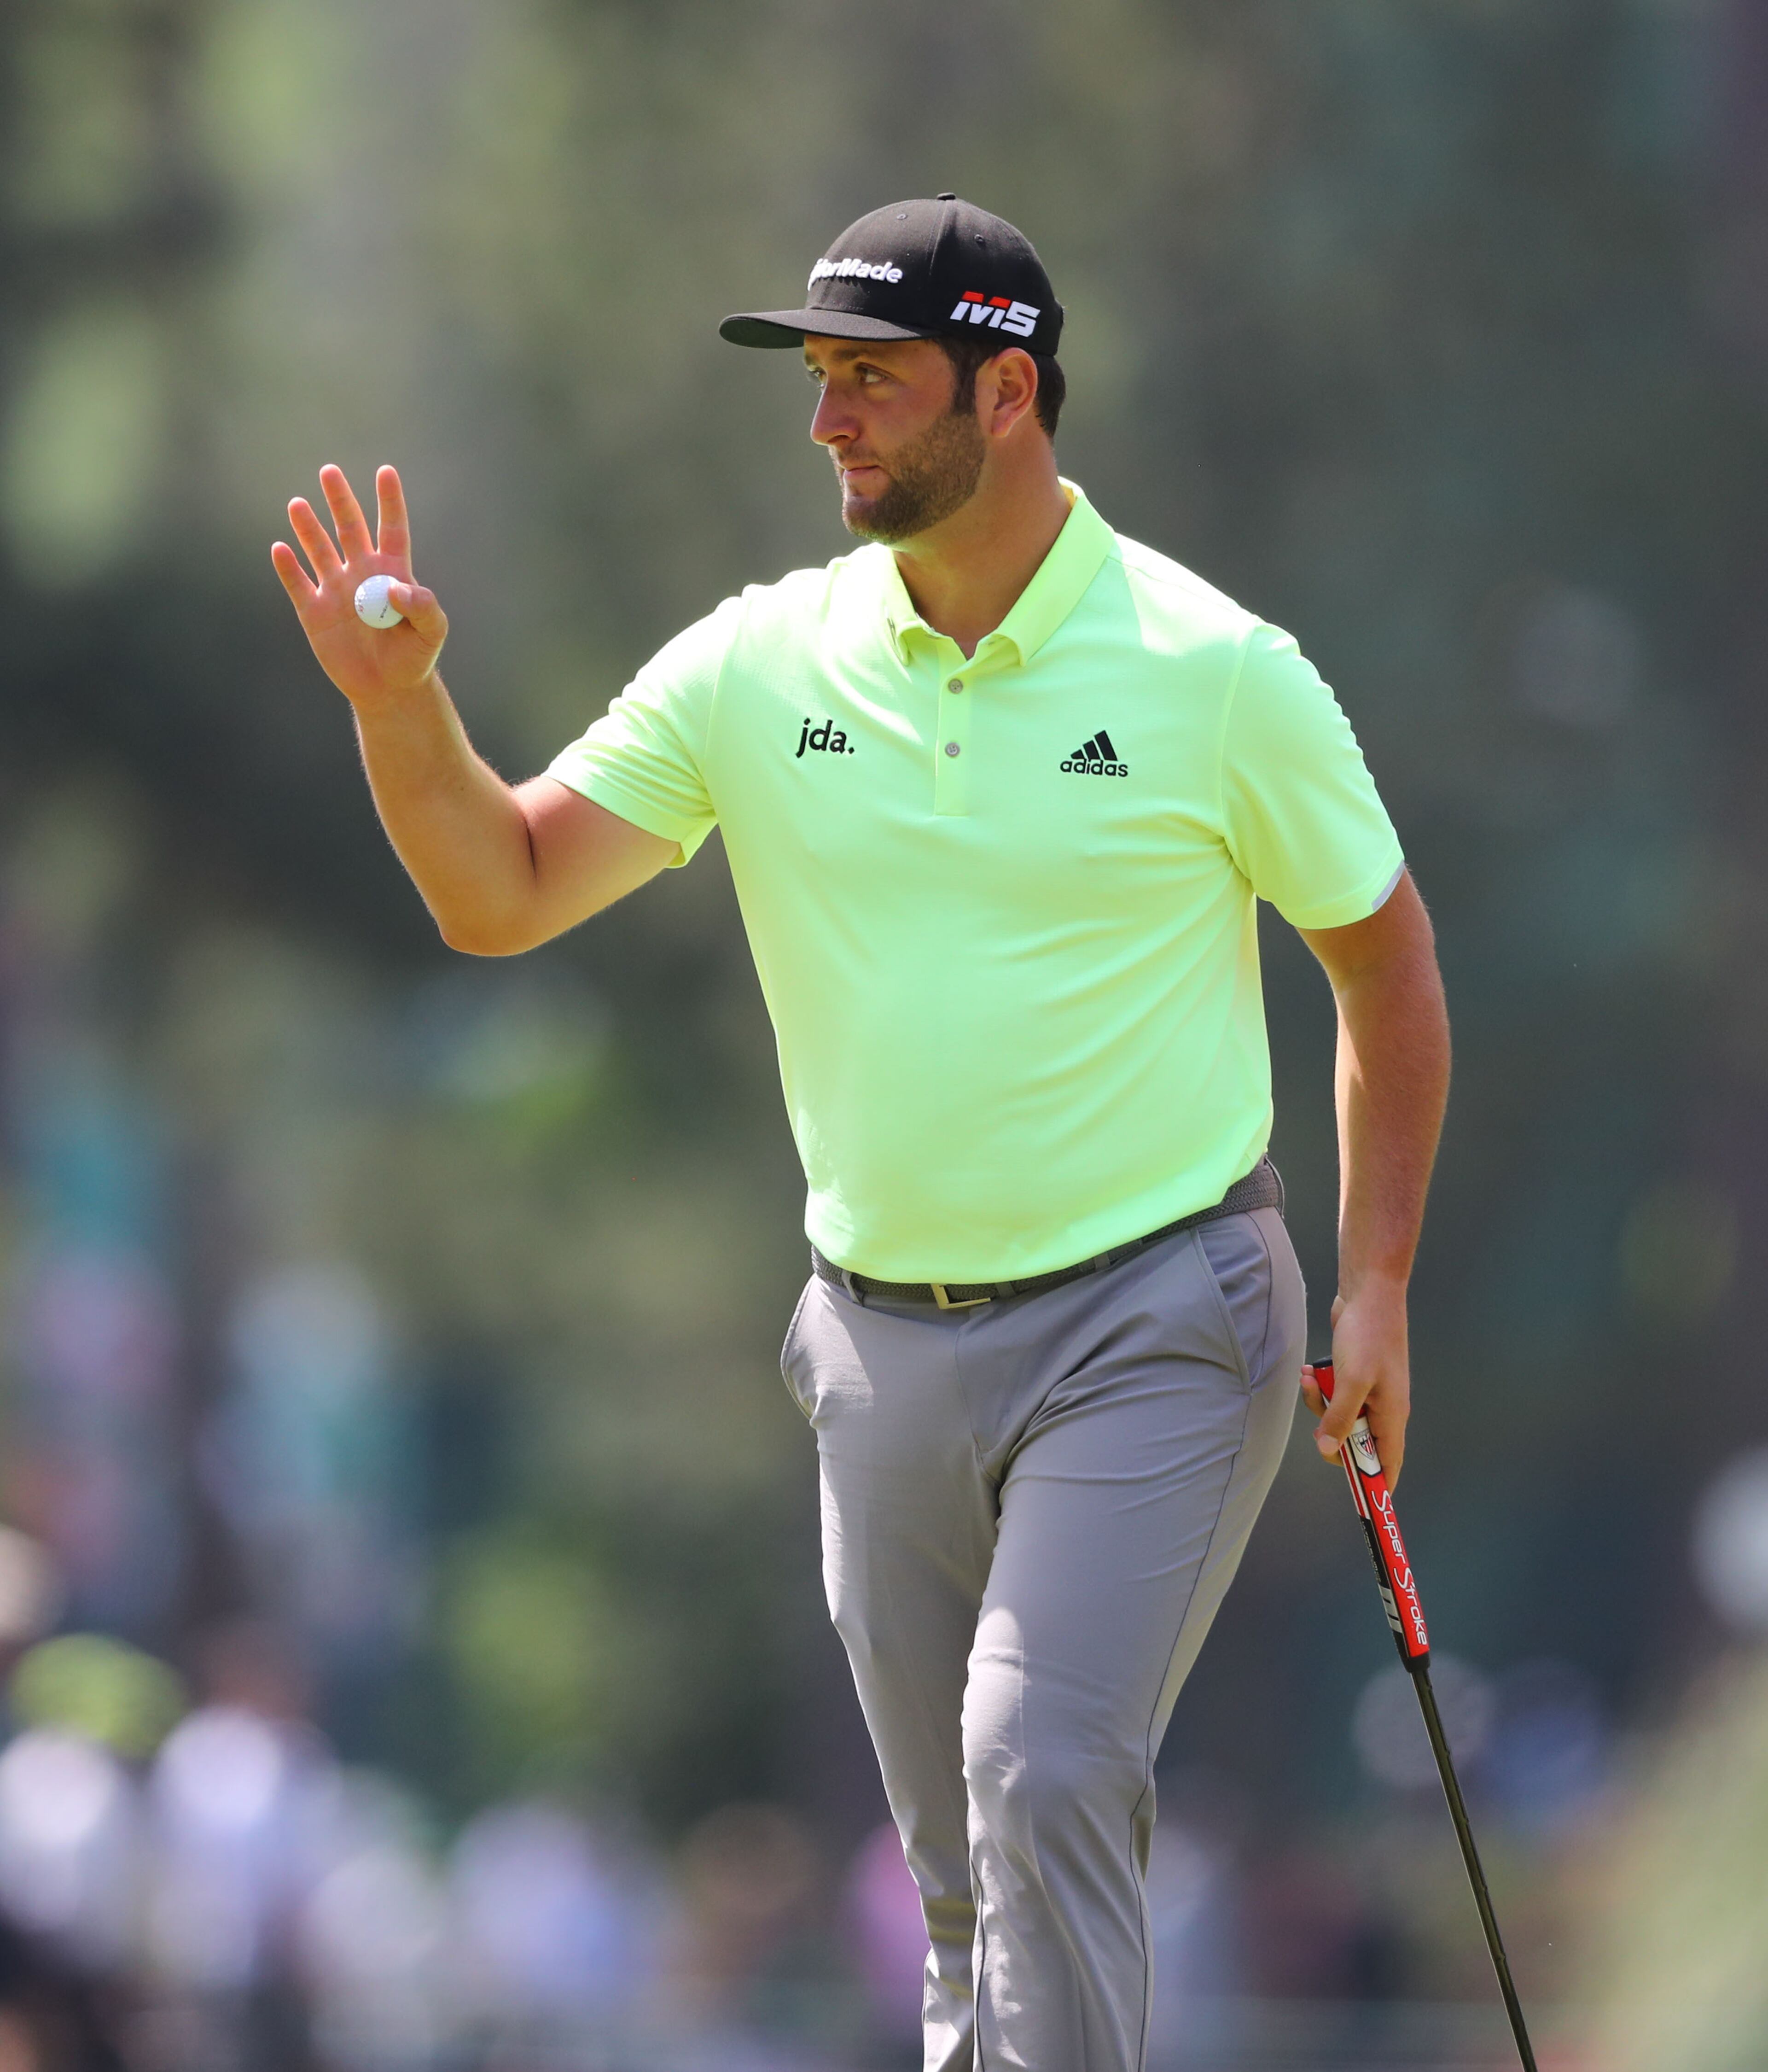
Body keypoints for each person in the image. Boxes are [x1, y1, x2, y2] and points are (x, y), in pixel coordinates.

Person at [272, 195, 1450, 2072]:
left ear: (1008, 390)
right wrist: (402, 711)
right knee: (962, 1893)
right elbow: (497, 887)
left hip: (1163, 1307)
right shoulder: (759, 667)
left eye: (871, 382)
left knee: (1040, 1764)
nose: (829, 422)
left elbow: (1384, 970)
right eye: (819, 382)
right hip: (878, 1344)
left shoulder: (1214, 672)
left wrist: (1375, 1284)